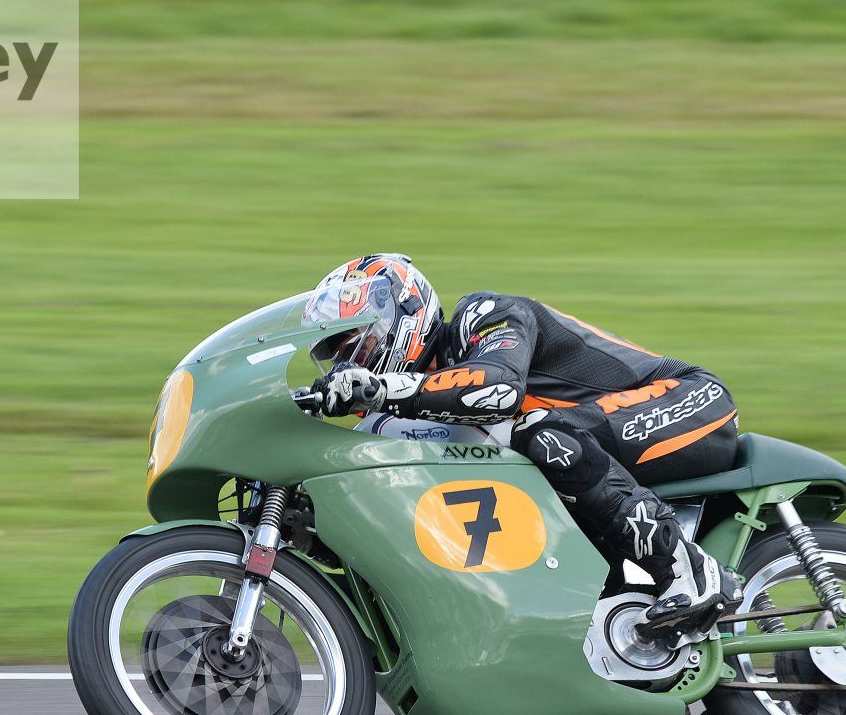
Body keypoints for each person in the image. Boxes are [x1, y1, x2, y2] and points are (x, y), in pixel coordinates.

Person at [305, 254, 742, 641]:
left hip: (688, 402)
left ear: (404, 314)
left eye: (356, 346)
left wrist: (383, 388)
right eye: (340, 358)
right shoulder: (407, 412)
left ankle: (689, 569)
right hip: (599, 438)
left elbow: (500, 390)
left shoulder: (484, 314)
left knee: (537, 430)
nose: (351, 366)